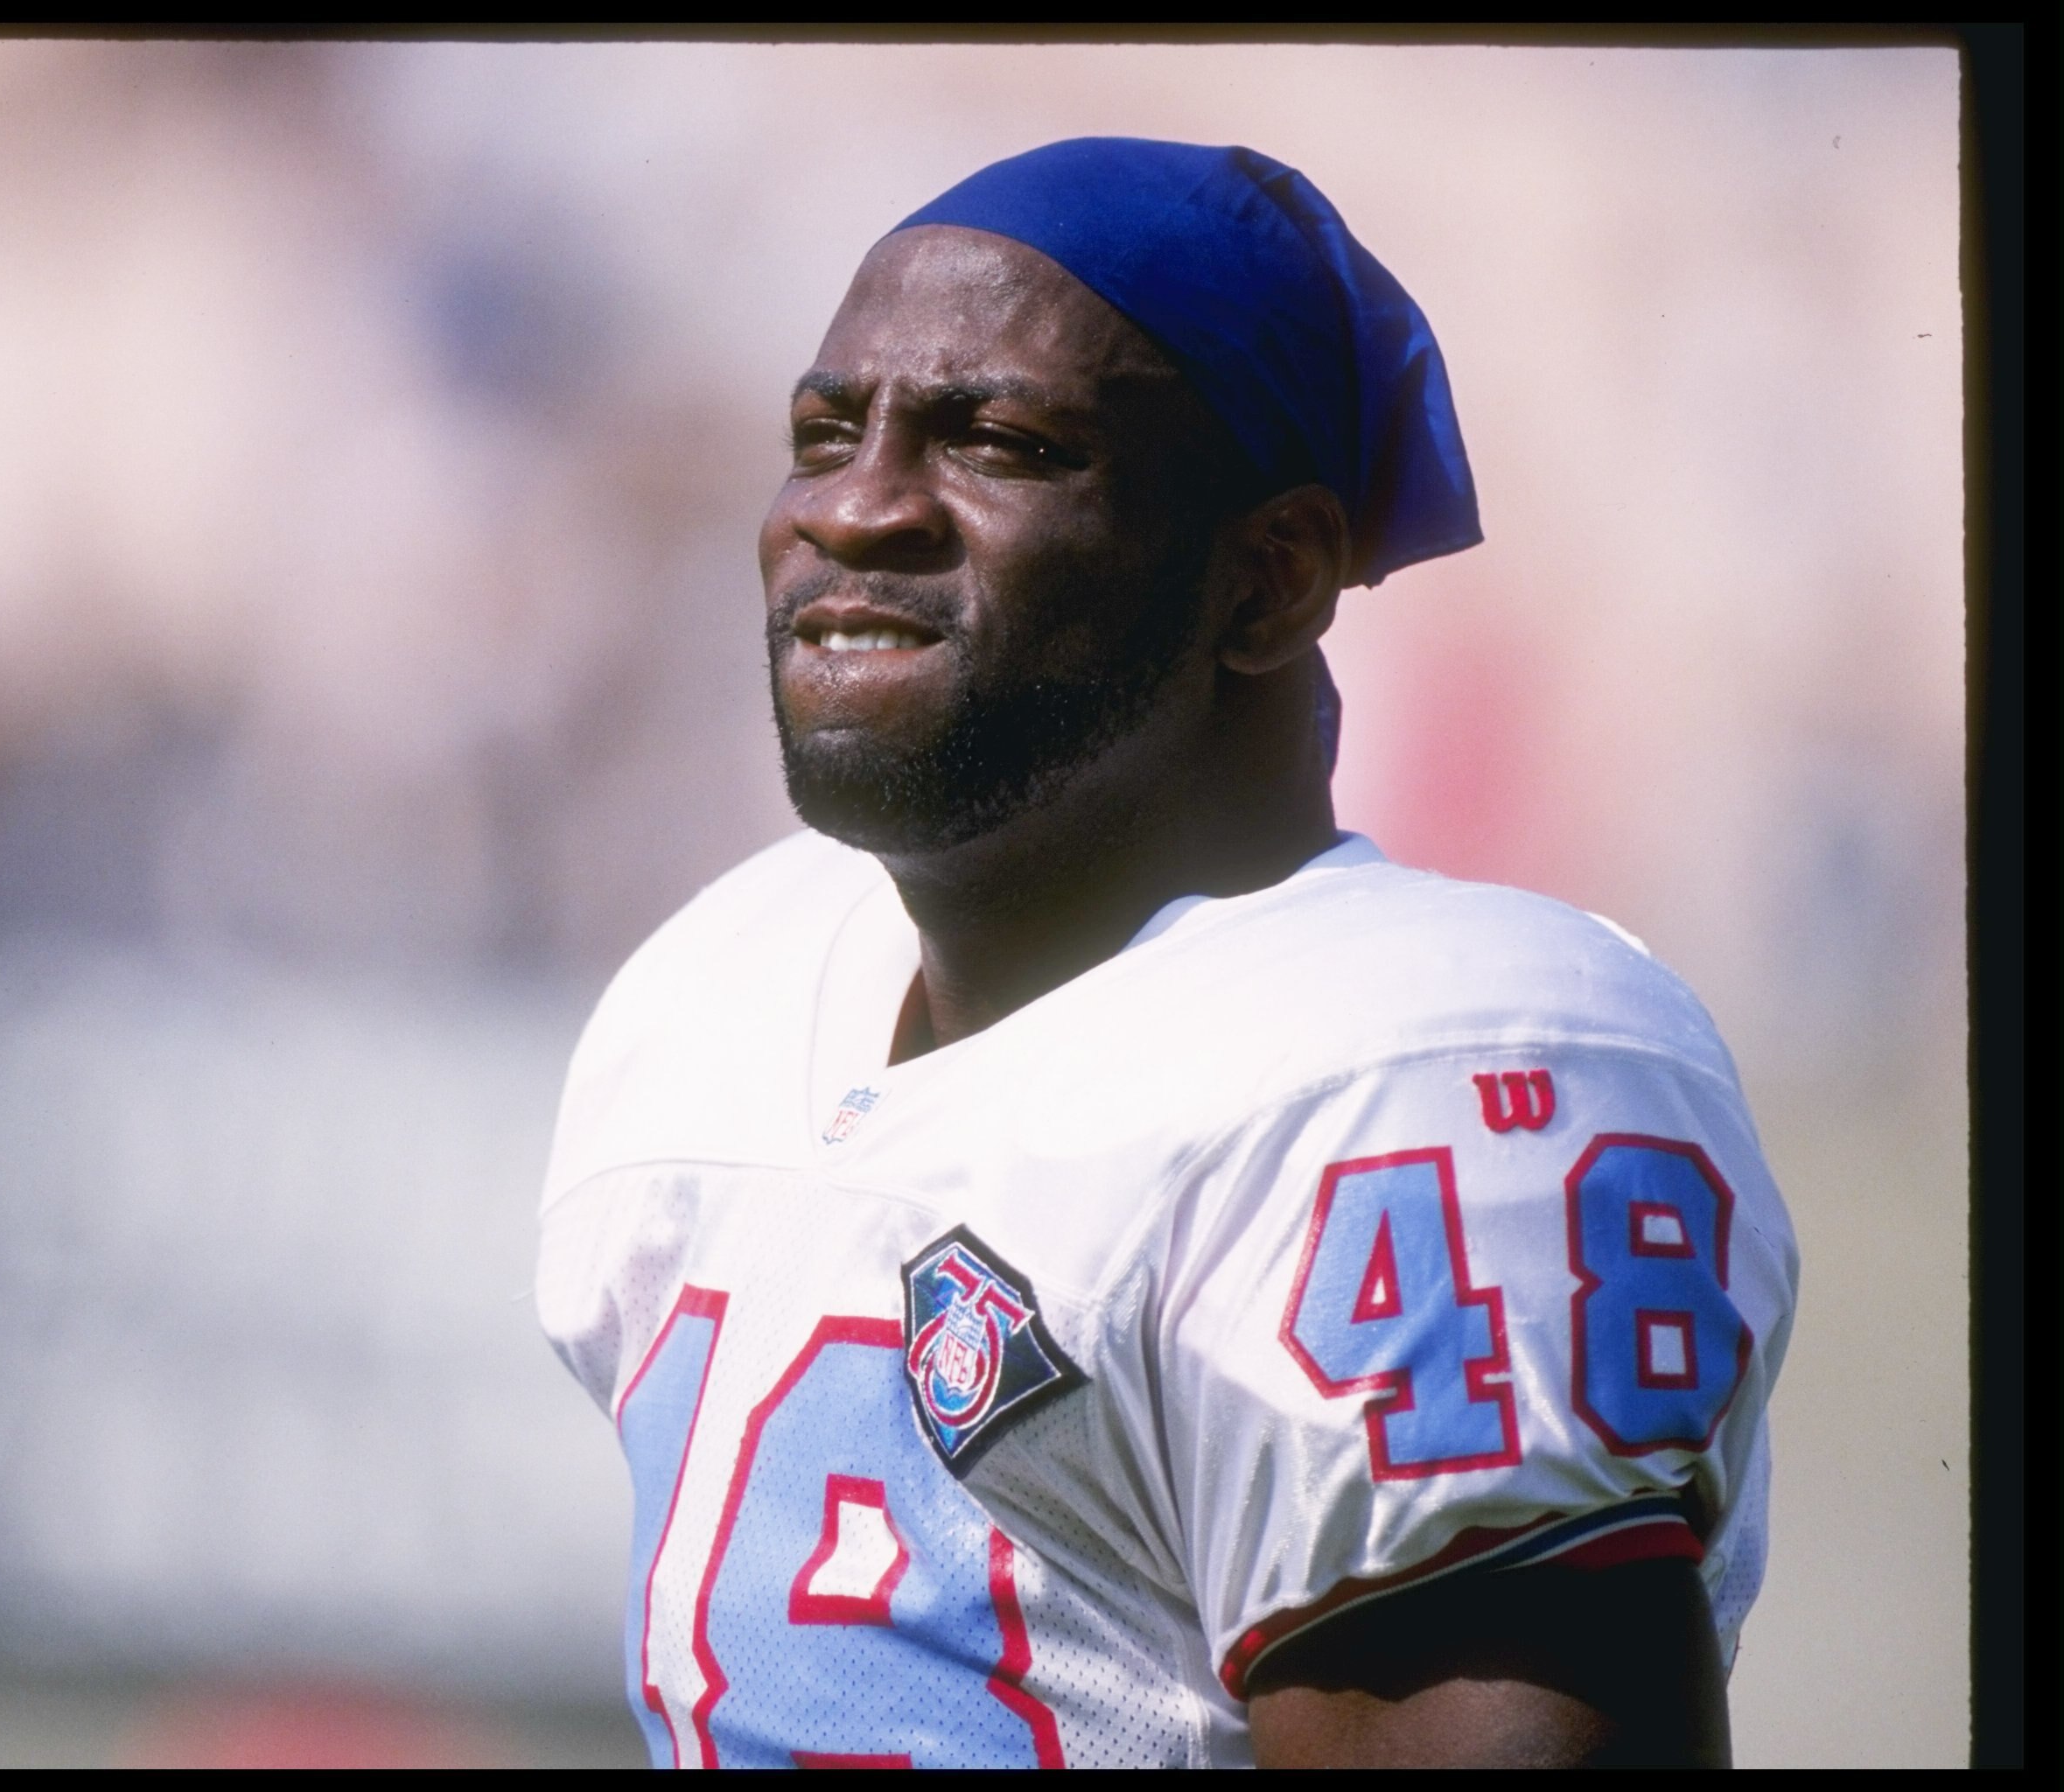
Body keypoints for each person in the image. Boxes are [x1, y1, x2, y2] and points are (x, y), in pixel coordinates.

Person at [533, 138, 1796, 1770]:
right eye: (825, 432)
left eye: (996, 440)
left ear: (1267, 576)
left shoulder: (1420, 1071)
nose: (855, 507)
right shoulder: (718, 992)